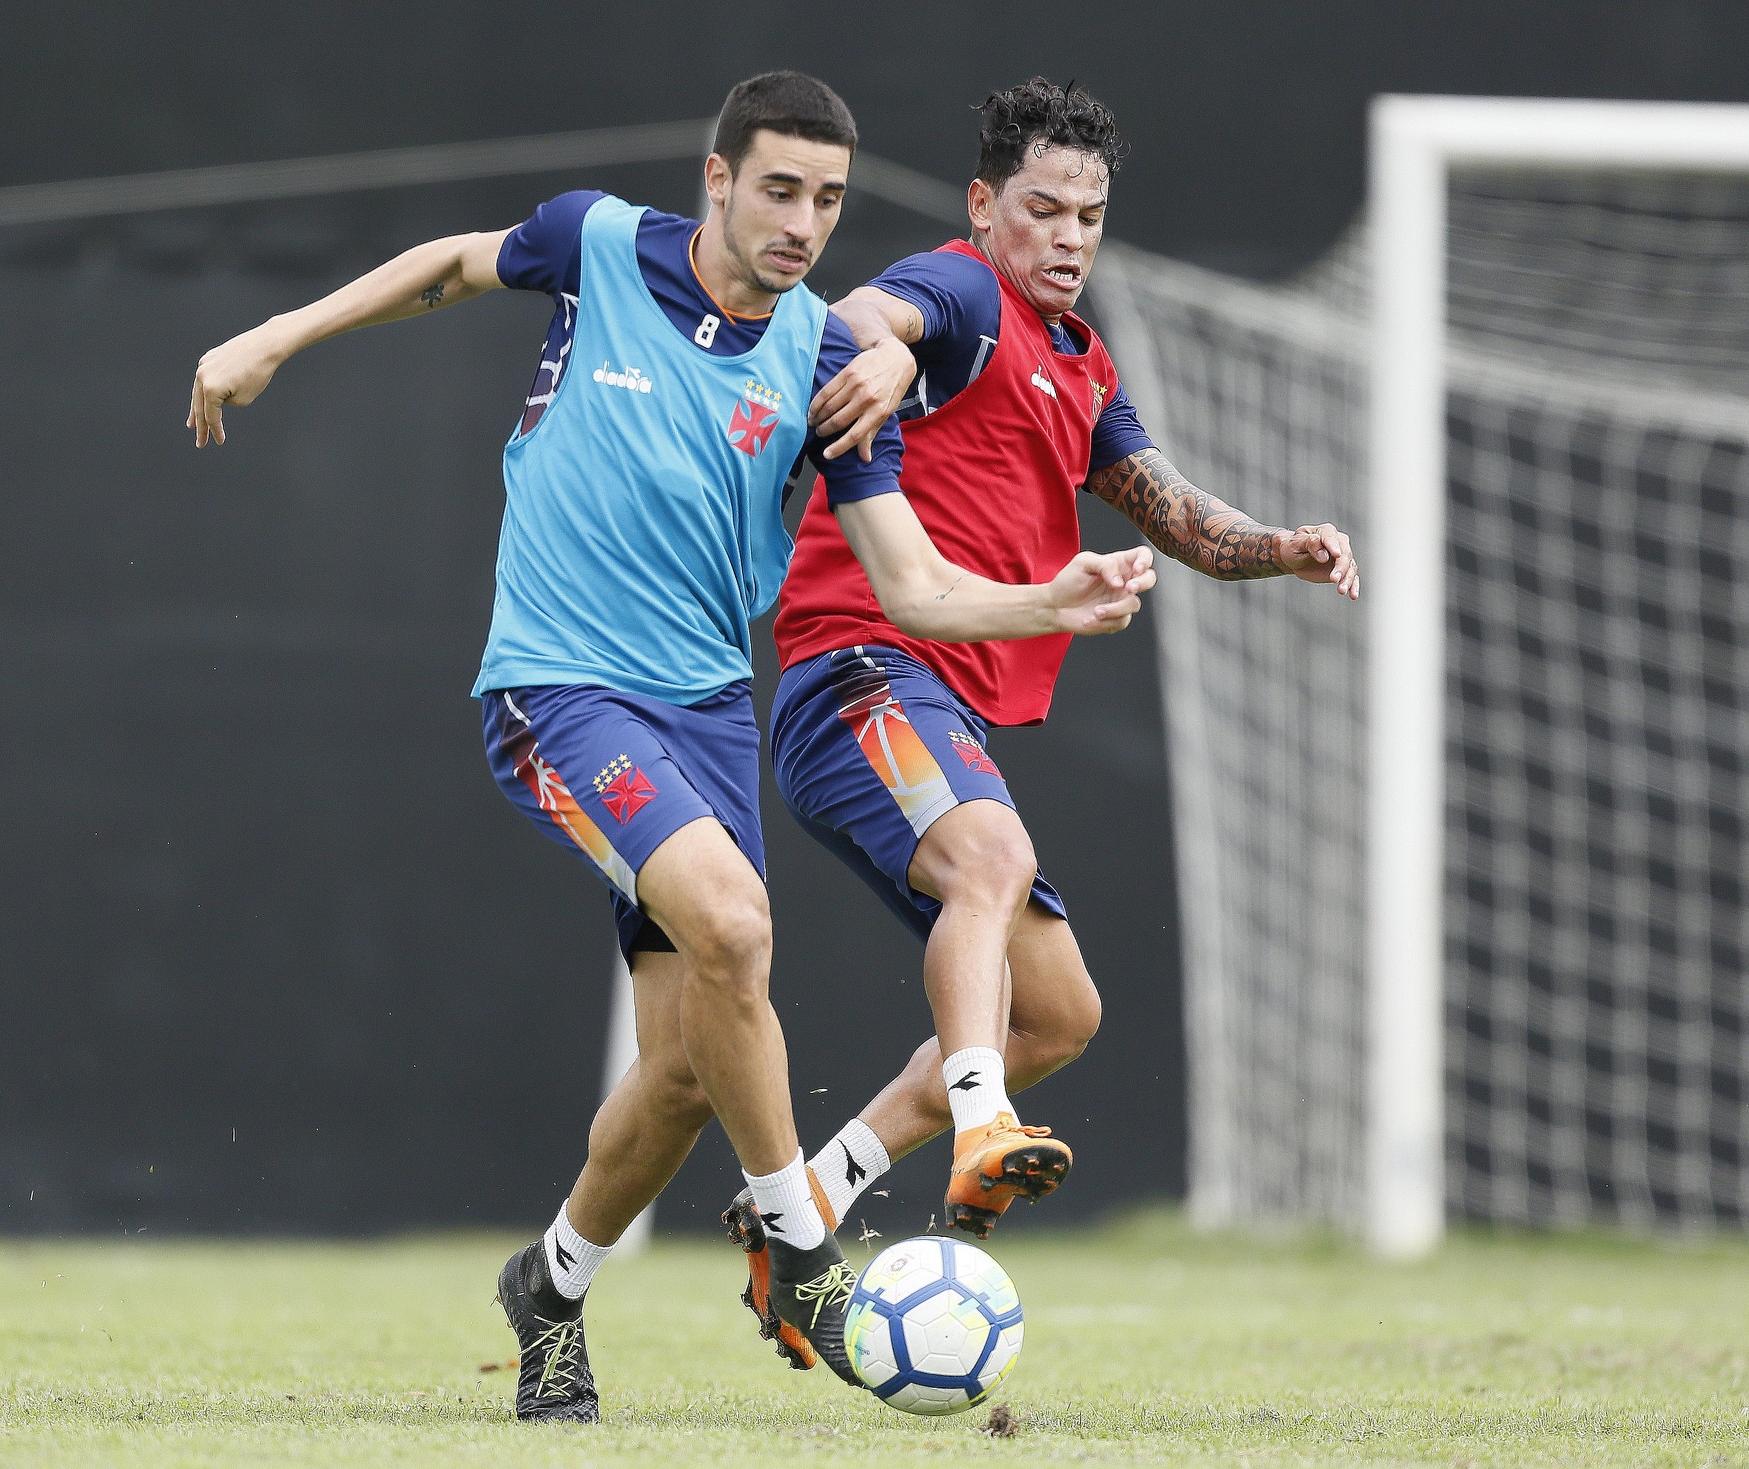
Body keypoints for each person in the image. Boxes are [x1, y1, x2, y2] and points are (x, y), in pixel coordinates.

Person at [184, 71, 1156, 1419]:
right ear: (717, 179)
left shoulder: (822, 358)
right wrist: (276, 334)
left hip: (704, 715)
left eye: (827, 198)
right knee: (737, 929)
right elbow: (454, 264)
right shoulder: (601, 246)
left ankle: (553, 1283)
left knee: (689, 1068)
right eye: (777, 189)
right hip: (559, 687)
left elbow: (916, 588)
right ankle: (805, 1245)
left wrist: (1050, 598)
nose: (802, 221)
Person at [725, 77, 1359, 1342]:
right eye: (1042, 209)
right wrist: (888, 342)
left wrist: (1276, 543)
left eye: (1089, 214)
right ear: (984, 206)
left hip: (940, 702)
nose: (1067, 236)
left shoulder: (1082, 360)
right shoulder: (961, 291)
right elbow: (854, 315)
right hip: (855, 669)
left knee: (1061, 1013)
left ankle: (804, 1200)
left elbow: (1171, 510)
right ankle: (978, 1127)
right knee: (995, 859)